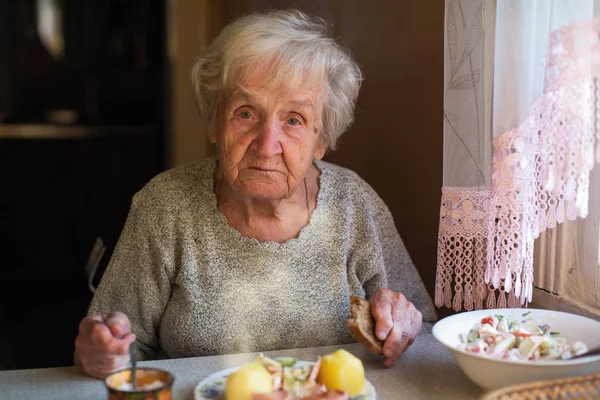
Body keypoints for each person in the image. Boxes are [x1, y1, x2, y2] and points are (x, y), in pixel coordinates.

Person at [75, 9, 436, 380]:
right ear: (215, 122)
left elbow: (422, 335)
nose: (266, 146)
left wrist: (403, 326)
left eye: (293, 120)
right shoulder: (165, 206)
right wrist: (106, 354)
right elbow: (117, 351)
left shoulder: (355, 205)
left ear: (321, 139)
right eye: (246, 113)